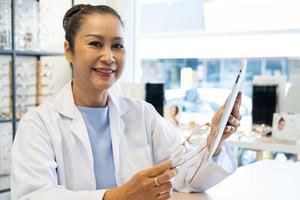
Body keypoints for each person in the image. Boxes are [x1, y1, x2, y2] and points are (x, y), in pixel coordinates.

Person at [11, 4, 242, 200]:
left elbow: (185, 176)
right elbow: (34, 195)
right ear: (69, 51)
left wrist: (214, 140)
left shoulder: (142, 114)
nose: (109, 57)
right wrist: (118, 196)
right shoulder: (38, 124)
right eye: (95, 44)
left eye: (118, 46)